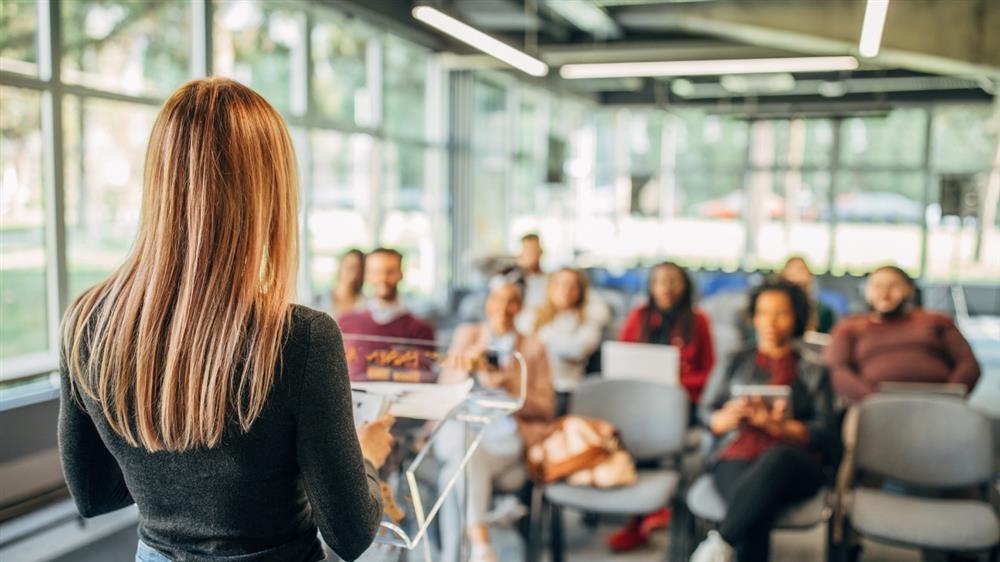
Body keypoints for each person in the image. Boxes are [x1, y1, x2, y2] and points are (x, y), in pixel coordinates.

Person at [58, 78, 393, 562]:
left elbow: (94, 494)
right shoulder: (301, 338)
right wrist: (365, 456)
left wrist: (177, 484)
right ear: (268, 194)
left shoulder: (87, 323)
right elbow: (351, 533)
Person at [692, 281, 835, 562]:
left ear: (796, 317)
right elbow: (707, 413)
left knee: (776, 460)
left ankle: (721, 543)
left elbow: (825, 433)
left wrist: (778, 427)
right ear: (753, 317)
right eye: (763, 312)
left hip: (796, 461)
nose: (771, 321)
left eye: (781, 313)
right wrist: (725, 418)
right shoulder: (734, 359)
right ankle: (719, 549)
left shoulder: (814, 369)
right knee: (754, 508)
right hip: (737, 451)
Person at [435, 278, 555, 562]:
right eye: (496, 299)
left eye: (511, 301)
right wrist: (468, 362)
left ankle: (455, 555)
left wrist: (510, 387)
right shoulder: (468, 334)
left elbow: (546, 407)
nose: (502, 308)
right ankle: (481, 546)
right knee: (463, 446)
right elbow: (442, 389)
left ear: (520, 307)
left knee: (452, 472)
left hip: (505, 432)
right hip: (461, 427)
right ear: (487, 302)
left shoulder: (534, 346)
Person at [608, 262, 715, 552]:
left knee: (664, 433)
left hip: (682, 404)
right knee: (631, 431)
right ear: (651, 287)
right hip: (639, 404)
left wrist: (673, 382)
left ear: (685, 286)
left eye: (673, 281)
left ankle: (658, 510)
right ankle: (639, 515)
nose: (666, 288)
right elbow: (621, 362)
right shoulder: (638, 318)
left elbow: (709, 373)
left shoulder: (699, 321)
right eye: (660, 281)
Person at [825, 264, 980, 403]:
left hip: (939, 401)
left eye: (893, 286)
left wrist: (949, 396)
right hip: (873, 405)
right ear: (866, 291)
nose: (885, 293)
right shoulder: (849, 327)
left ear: (909, 289)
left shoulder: (937, 321)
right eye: (877, 286)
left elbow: (968, 363)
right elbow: (836, 370)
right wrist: (872, 399)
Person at [338, 247, 436, 380]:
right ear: (367, 276)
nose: (383, 278)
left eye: (390, 272)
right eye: (376, 272)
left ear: (401, 274)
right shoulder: (346, 323)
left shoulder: (421, 329)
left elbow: (424, 376)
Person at [517, 267, 603, 412]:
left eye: (572, 286)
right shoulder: (532, 316)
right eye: (560, 284)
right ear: (550, 287)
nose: (566, 290)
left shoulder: (588, 321)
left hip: (564, 389)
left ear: (581, 291)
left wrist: (539, 337)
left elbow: (577, 350)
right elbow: (517, 342)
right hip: (529, 386)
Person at [778, 256, 837, 333]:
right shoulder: (775, 310)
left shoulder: (824, 312)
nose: (797, 277)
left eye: (801, 271)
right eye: (792, 273)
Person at [516, 233, 548, 312]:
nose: (532, 255)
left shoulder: (549, 280)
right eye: (528, 250)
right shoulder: (510, 279)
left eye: (535, 250)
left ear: (541, 252)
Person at [331, 248, 366, 318]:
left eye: (355, 267)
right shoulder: (317, 300)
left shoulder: (366, 306)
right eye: (346, 264)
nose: (348, 269)